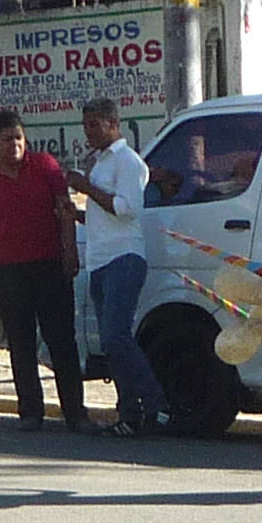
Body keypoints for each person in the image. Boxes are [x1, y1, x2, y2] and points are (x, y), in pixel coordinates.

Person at [0, 109, 85, 432]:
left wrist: (70, 250)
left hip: (49, 266)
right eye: (7, 139)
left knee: (62, 340)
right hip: (6, 272)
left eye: (18, 138)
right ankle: (30, 412)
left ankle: (75, 411)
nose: (14, 145)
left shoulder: (45, 166)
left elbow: (65, 211)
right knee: (21, 343)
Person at [65, 96, 168, 437]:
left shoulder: (128, 161)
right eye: (85, 126)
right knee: (109, 342)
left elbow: (125, 209)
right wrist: (76, 214)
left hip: (124, 258)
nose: (88, 133)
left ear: (113, 123)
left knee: (115, 334)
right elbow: (103, 215)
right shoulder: (99, 162)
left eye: (94, 125)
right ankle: (129, 412)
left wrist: (85, 187)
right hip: (100, 260)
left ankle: (156, 402)